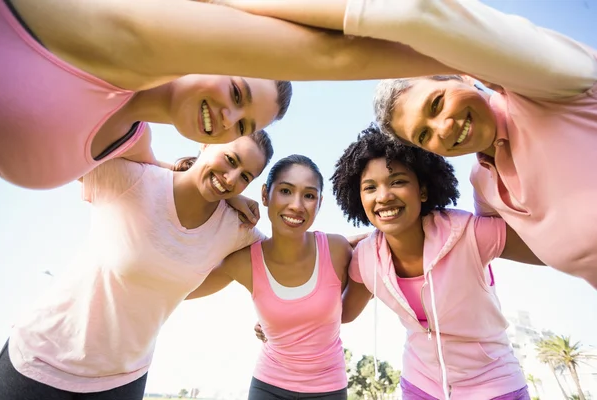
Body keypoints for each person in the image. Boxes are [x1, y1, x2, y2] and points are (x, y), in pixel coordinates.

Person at [210, 0, 597, 289]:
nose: (444, 129)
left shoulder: (541, 91)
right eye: (424, 136)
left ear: (464, 75)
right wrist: (227, 193)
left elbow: (421, 15)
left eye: (437, 103)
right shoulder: (487, 186)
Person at [0, 0, 455, 190]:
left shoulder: (127, 141)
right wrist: (461, 59)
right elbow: (332, 55)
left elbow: (165, 167)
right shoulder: (120, 41)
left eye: (242, 125)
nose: (227, 115)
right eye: (237, 90)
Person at [0, 131, 274, 400]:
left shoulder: (235, 228)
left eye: (245, 177)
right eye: (231, 159)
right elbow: (61, 149)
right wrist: (185, 171)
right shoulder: (134, 180)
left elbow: (283, 265)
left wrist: (276, 319)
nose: (232, 178)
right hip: (40, 359)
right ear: (205, 143)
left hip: (121, 379)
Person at [332, 125, 542, 399]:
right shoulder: (366, 258)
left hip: (495, 384)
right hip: (421, 386)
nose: (383, 196)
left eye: (397, 181)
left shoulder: (468, 233)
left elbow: (550, 250)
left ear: (422, 190)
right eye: (370, 187)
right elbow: (343, 313)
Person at [187, 154, 353, 400]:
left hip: (328, 388)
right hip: (269, 386)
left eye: (309, 195)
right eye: (286, 191)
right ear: (265, 195)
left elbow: (369, 280)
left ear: (319, 204)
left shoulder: (338, 249)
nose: (297, 205)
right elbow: (180, 289)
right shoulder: (244, 262)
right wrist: (228, 197)